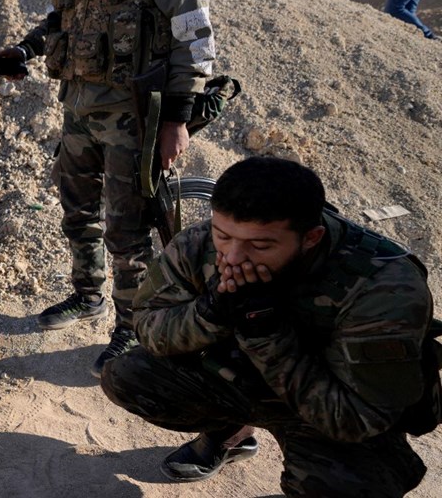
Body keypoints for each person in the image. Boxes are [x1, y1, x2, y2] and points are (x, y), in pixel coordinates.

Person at [0, 0, 215, 376]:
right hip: (82, 105)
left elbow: (194, 34)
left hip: (136, 113)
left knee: (128, 227)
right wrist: (27, 48)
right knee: (77, 210)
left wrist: (178, 119)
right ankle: (87, 294)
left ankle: (132, 329)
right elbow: (70, 17)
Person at [100, 157, 434, 497]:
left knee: (349, 487)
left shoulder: (384, 287)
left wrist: (267, 335)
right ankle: (229, 434)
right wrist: (211, 312)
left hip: (327, 407)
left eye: (260, 246)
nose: (233, 257)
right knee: (130, 375)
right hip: (243, 379)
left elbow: (358, 419)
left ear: (311, 238)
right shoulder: (200, 242)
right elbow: (147, 324)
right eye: (223, 236)